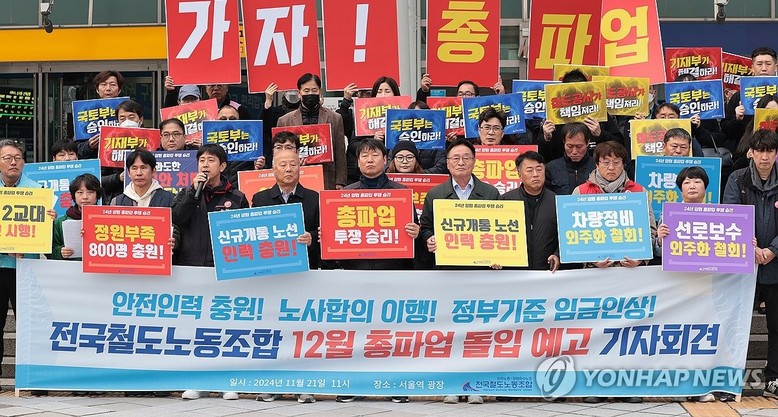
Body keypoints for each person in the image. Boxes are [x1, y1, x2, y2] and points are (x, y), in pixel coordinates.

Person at [573, 140, 656, 405]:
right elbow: (572, 235)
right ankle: (594, 385)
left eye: (616, 162)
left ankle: (627, 386)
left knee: (628, 330)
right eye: (605, 162)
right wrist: (590, 260)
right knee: (595, 331)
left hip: (628, 274)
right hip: (594, 275)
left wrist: (641, 259)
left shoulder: (638, 191)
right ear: (597, 164)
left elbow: (651, 231)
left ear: (623, 164)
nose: (611, 167)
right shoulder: (581, 191)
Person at [418, 138, 500, 405]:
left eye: (466, 157)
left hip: (480, 272)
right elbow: (425, 227)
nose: (461, 162)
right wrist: (429, 239)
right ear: (448, 163)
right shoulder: (436, 194)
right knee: (451, 330)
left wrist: (499, 255)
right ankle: (452, 385)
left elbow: (500, 229)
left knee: (478, 331)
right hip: (449, 271)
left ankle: (476, 385)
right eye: (455, 158)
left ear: (475, 161)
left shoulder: (490, 193)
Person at [173, 144, 247, 401]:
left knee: (225, 327)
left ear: (223, 166)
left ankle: (227, 381)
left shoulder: (237, 197)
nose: (205, 164)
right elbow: (176, 219)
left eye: (211, 160)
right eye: (202, 160)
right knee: (197, 328)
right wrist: (193, 193)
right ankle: (199, 381)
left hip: (223, 269)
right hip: (192, 267)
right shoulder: (187, 193)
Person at [252, 149, 318, 404]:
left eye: (293, 164)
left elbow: (324, 238)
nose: (288, 169)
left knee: (302, 332)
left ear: (301, 167)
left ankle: (303, 385)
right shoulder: (260, 199)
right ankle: (272, 384)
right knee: (273, 331)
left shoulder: (313, 198)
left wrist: (312, 239)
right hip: (271, 277)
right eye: (283, 165)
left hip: (304, 276)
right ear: (273, 169)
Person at [722, 129, 778, 400]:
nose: (765, 157)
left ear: (776, 154)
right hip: (743, 266)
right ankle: (727, 378)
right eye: (760, 151)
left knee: (776, 325)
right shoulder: (737, 178)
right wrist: (750, 247)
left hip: (775, 264)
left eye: (770, 151)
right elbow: (730, 215)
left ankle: (773, 378)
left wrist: (773, 250)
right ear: (751, 153)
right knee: (734, 322)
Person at [0, 139, 48, 388]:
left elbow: (44, 232)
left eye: (18, 158)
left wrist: (49, 219)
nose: (13, 162)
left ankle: (33, 378)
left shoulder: (37, 190)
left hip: (26, 267)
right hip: (0, 265)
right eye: (7, 158)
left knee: (30, 324)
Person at [535, 69, 625, 162]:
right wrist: (546, 139)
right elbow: (538, 156)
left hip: (596, 167)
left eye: (579, 92)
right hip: (560, 168)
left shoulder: (599, 113)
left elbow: (620, 146)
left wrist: (601, 134)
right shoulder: (554, 116)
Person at [277, 74, 347, 190]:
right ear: (299, 93)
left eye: (314, 90)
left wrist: (340, 181)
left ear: (320, 91)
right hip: (295, 177)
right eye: (306, 91)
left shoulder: (335, 118)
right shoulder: (285, 120)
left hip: (326, 176)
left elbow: (340, 152)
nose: (310, 94)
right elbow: (279, 153)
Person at [500, 151, 560, 271]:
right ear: (519, 174)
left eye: (539, 169)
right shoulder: (506, 201)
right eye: (529, 170)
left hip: (546, 271)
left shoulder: (556, 201)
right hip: (513, 271)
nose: (535, 174)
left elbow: (564, 236)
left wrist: (557, 255)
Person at [722, 47, 778, 141]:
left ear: (776, 67)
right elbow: (726, 132)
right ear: (752, 68)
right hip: (745, 146)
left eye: (768, 64)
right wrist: (737, 119)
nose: (764, 68)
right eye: (759, 64)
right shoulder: (739, 96)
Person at [51, 174, 102, 260]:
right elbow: (50, 250)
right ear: (73, 195)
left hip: (98, 267)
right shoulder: (60, 222)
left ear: (97, 195)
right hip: (70, 267)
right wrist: (60, 252)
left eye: (90, 192)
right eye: (80, 193)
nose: (85, 197)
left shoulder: (107, 220)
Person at [76, 70, 126, 158]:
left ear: (119, 90)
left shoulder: (129, 110)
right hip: (95, 163)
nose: (108, 88)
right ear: (97, 90)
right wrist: (89, 146)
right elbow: (77, 150)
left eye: (113, 84)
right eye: (103, 84)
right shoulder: (85, 112)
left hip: (121, 161)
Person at [215, 104, 265, 185]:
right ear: (215, 122)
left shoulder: (252, 143)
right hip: (218, 190)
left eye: (232, 119)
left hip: (244, 189)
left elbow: (261, 178)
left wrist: (258, 167)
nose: (228, 122)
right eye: (223, 119)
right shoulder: (209, 146)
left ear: (239, 121)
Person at [545, 122, 596, 195]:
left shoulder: (597, 166)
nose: (574, 152)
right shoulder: (552, 167)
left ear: (587, 143)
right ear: (564, 142)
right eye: (570, 146)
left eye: (579, 146)